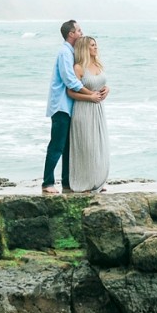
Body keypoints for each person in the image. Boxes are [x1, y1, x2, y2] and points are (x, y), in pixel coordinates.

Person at [41, 20, 106, 194]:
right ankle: (47, 182)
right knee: (57, 145)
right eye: (79, 30)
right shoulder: (65, 53)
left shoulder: (73, 53)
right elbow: (70, 80)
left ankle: (68, 183)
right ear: (71, 34)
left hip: (72, 107)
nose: (81, 33)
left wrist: (96, 92)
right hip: (61, 106)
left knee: (69, 147)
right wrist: (89, 94)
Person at [67, 36, 110, 193]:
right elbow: (70, 91)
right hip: (83, 110)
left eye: (96, 45)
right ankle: (84, 183)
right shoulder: (78, 68)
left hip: (98, 110)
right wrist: (89, 97)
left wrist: (107, 89)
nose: (96, 47)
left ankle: (98, 181)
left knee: (99, 146)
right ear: (85, 48)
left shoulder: (97, 64)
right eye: (92, 45)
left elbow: (101, 83)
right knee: (86, 147)